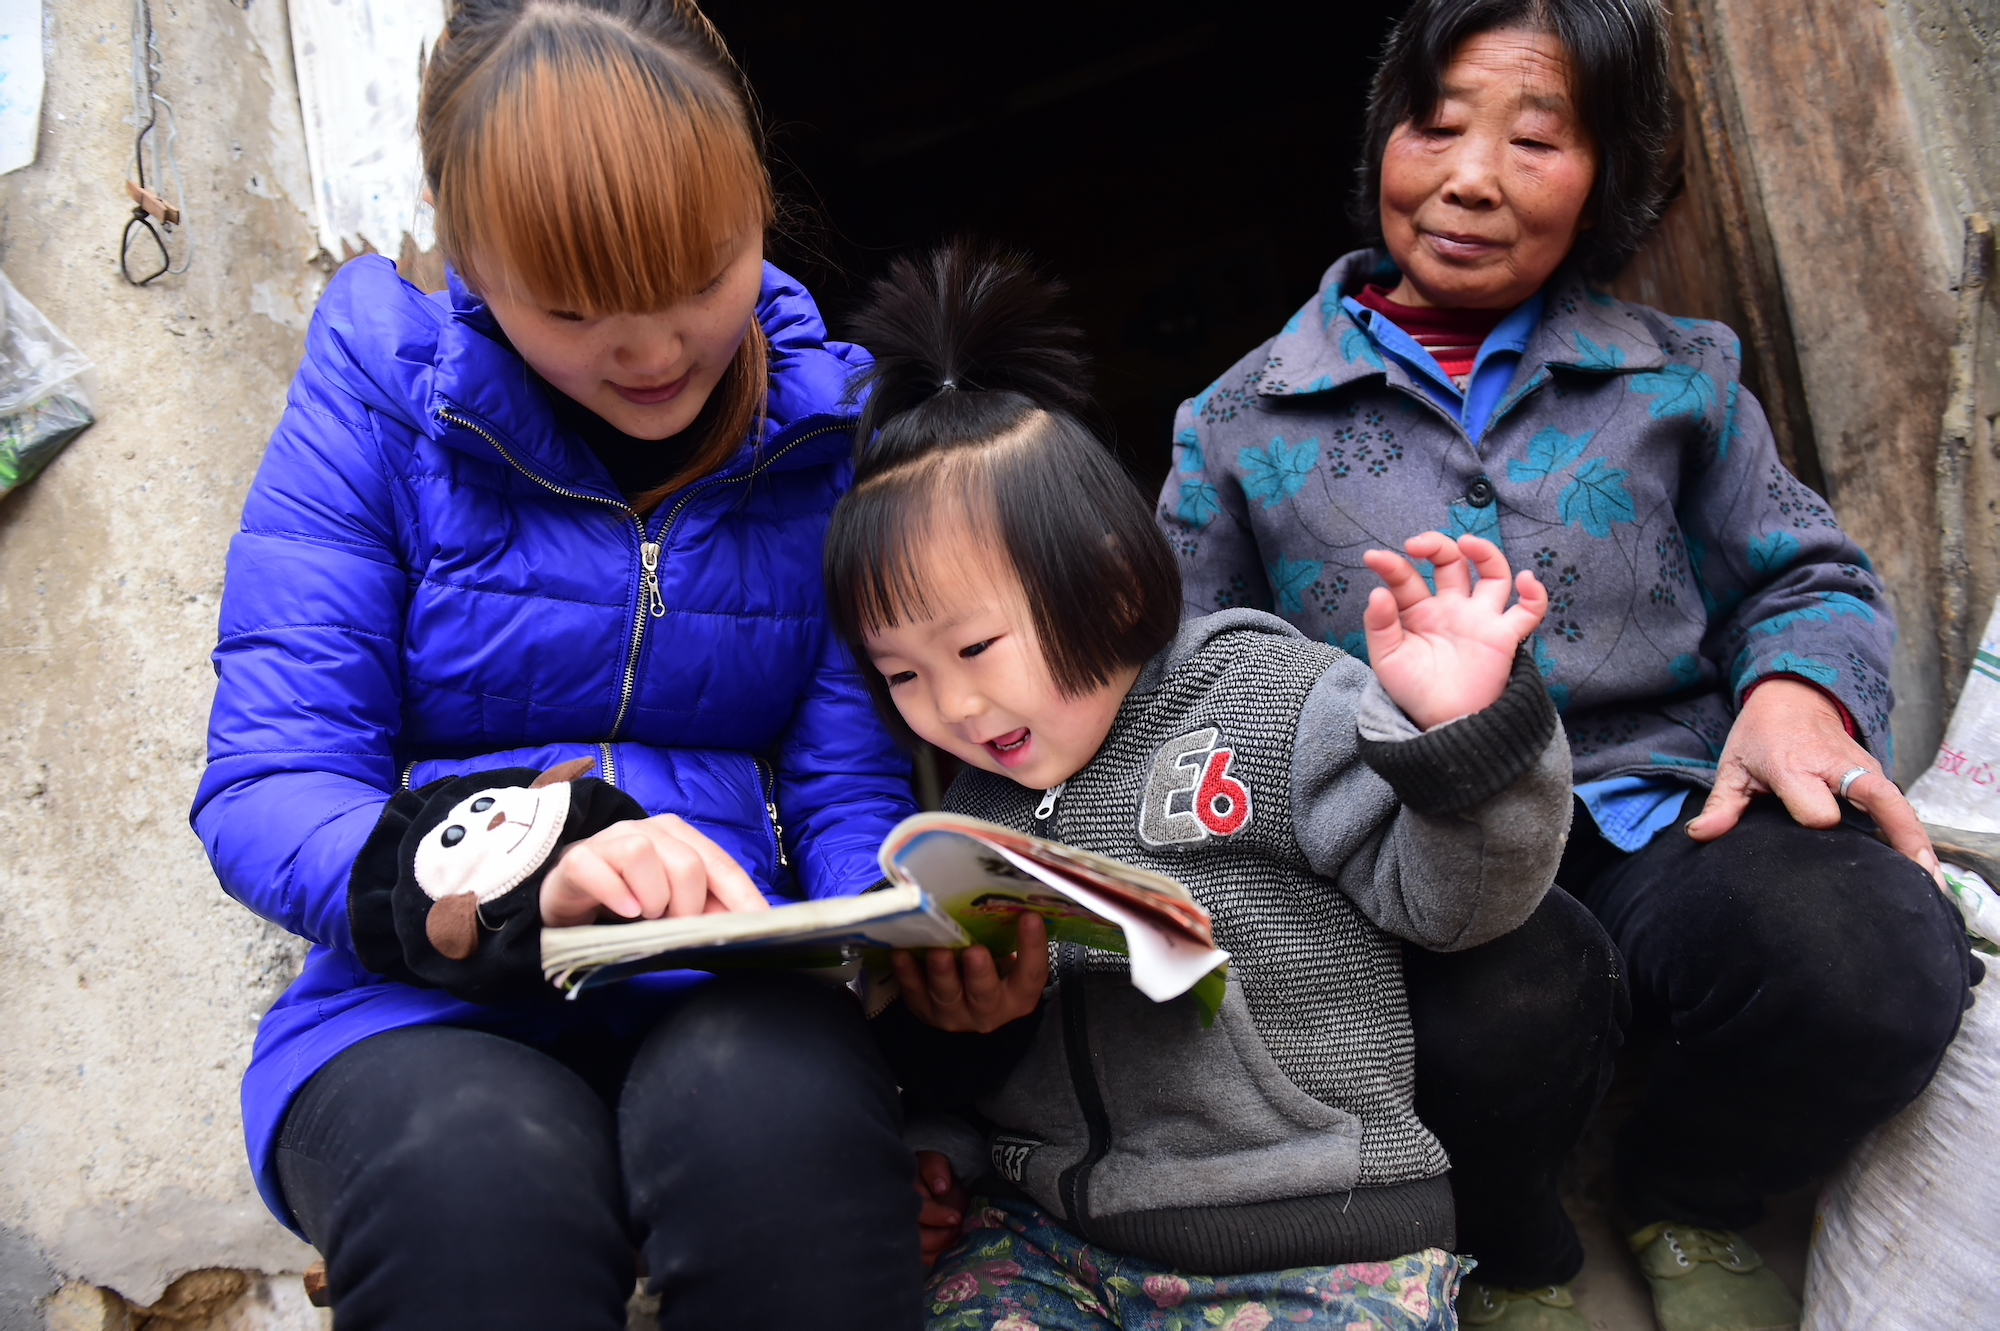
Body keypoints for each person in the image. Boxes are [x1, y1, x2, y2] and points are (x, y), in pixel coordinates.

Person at [1158, 1, 1978, 1327]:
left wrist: (1797, 692)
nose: (1471, 177)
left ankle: (1692, 1191)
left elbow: (1803, 572)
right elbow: (1190, 676)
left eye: (1536, 139)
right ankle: (1517, 1246)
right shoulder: (1239, 423)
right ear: (1383, 139)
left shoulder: (1682, 377)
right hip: (1421, 857)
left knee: (1882, 955)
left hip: (1673, 810)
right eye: (1436, 125)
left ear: (1611, 174)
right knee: (1485, 1020)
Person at [188, 3, 925, 1327]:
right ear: (471, 254)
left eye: (702, 279)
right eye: (574, 307)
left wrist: (911, 927)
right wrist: (520, 867)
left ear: (758, 202)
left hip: (725, 976)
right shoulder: (379, 390)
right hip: (419, 1001)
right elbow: (271, 781)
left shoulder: (823, 426)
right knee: (472, 1185)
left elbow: (845, 785)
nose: (652, 354)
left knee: (781, 1145)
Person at [823, 241, 1573, 1330]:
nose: (952, 708)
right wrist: (937, 1142)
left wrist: (1460, 737)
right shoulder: (969, 825)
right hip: (1045, 1239)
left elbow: (1458, 903)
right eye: (902, 674)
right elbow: (974, 1087)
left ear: (1114, 578)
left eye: (975, 647)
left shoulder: (1267, 700)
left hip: (1309, 1238)